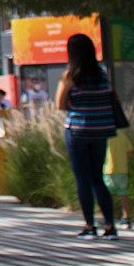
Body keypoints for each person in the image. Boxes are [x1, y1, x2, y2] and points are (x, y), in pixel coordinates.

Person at [54, 33, 120, 239]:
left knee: (82, 178)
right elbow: (112, 97)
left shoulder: (71, 76)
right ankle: (110, 225)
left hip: (78, 130)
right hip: (101, 129)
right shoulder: (102, 75)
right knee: (97, 177)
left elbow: (59, 103)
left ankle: (89, 225)